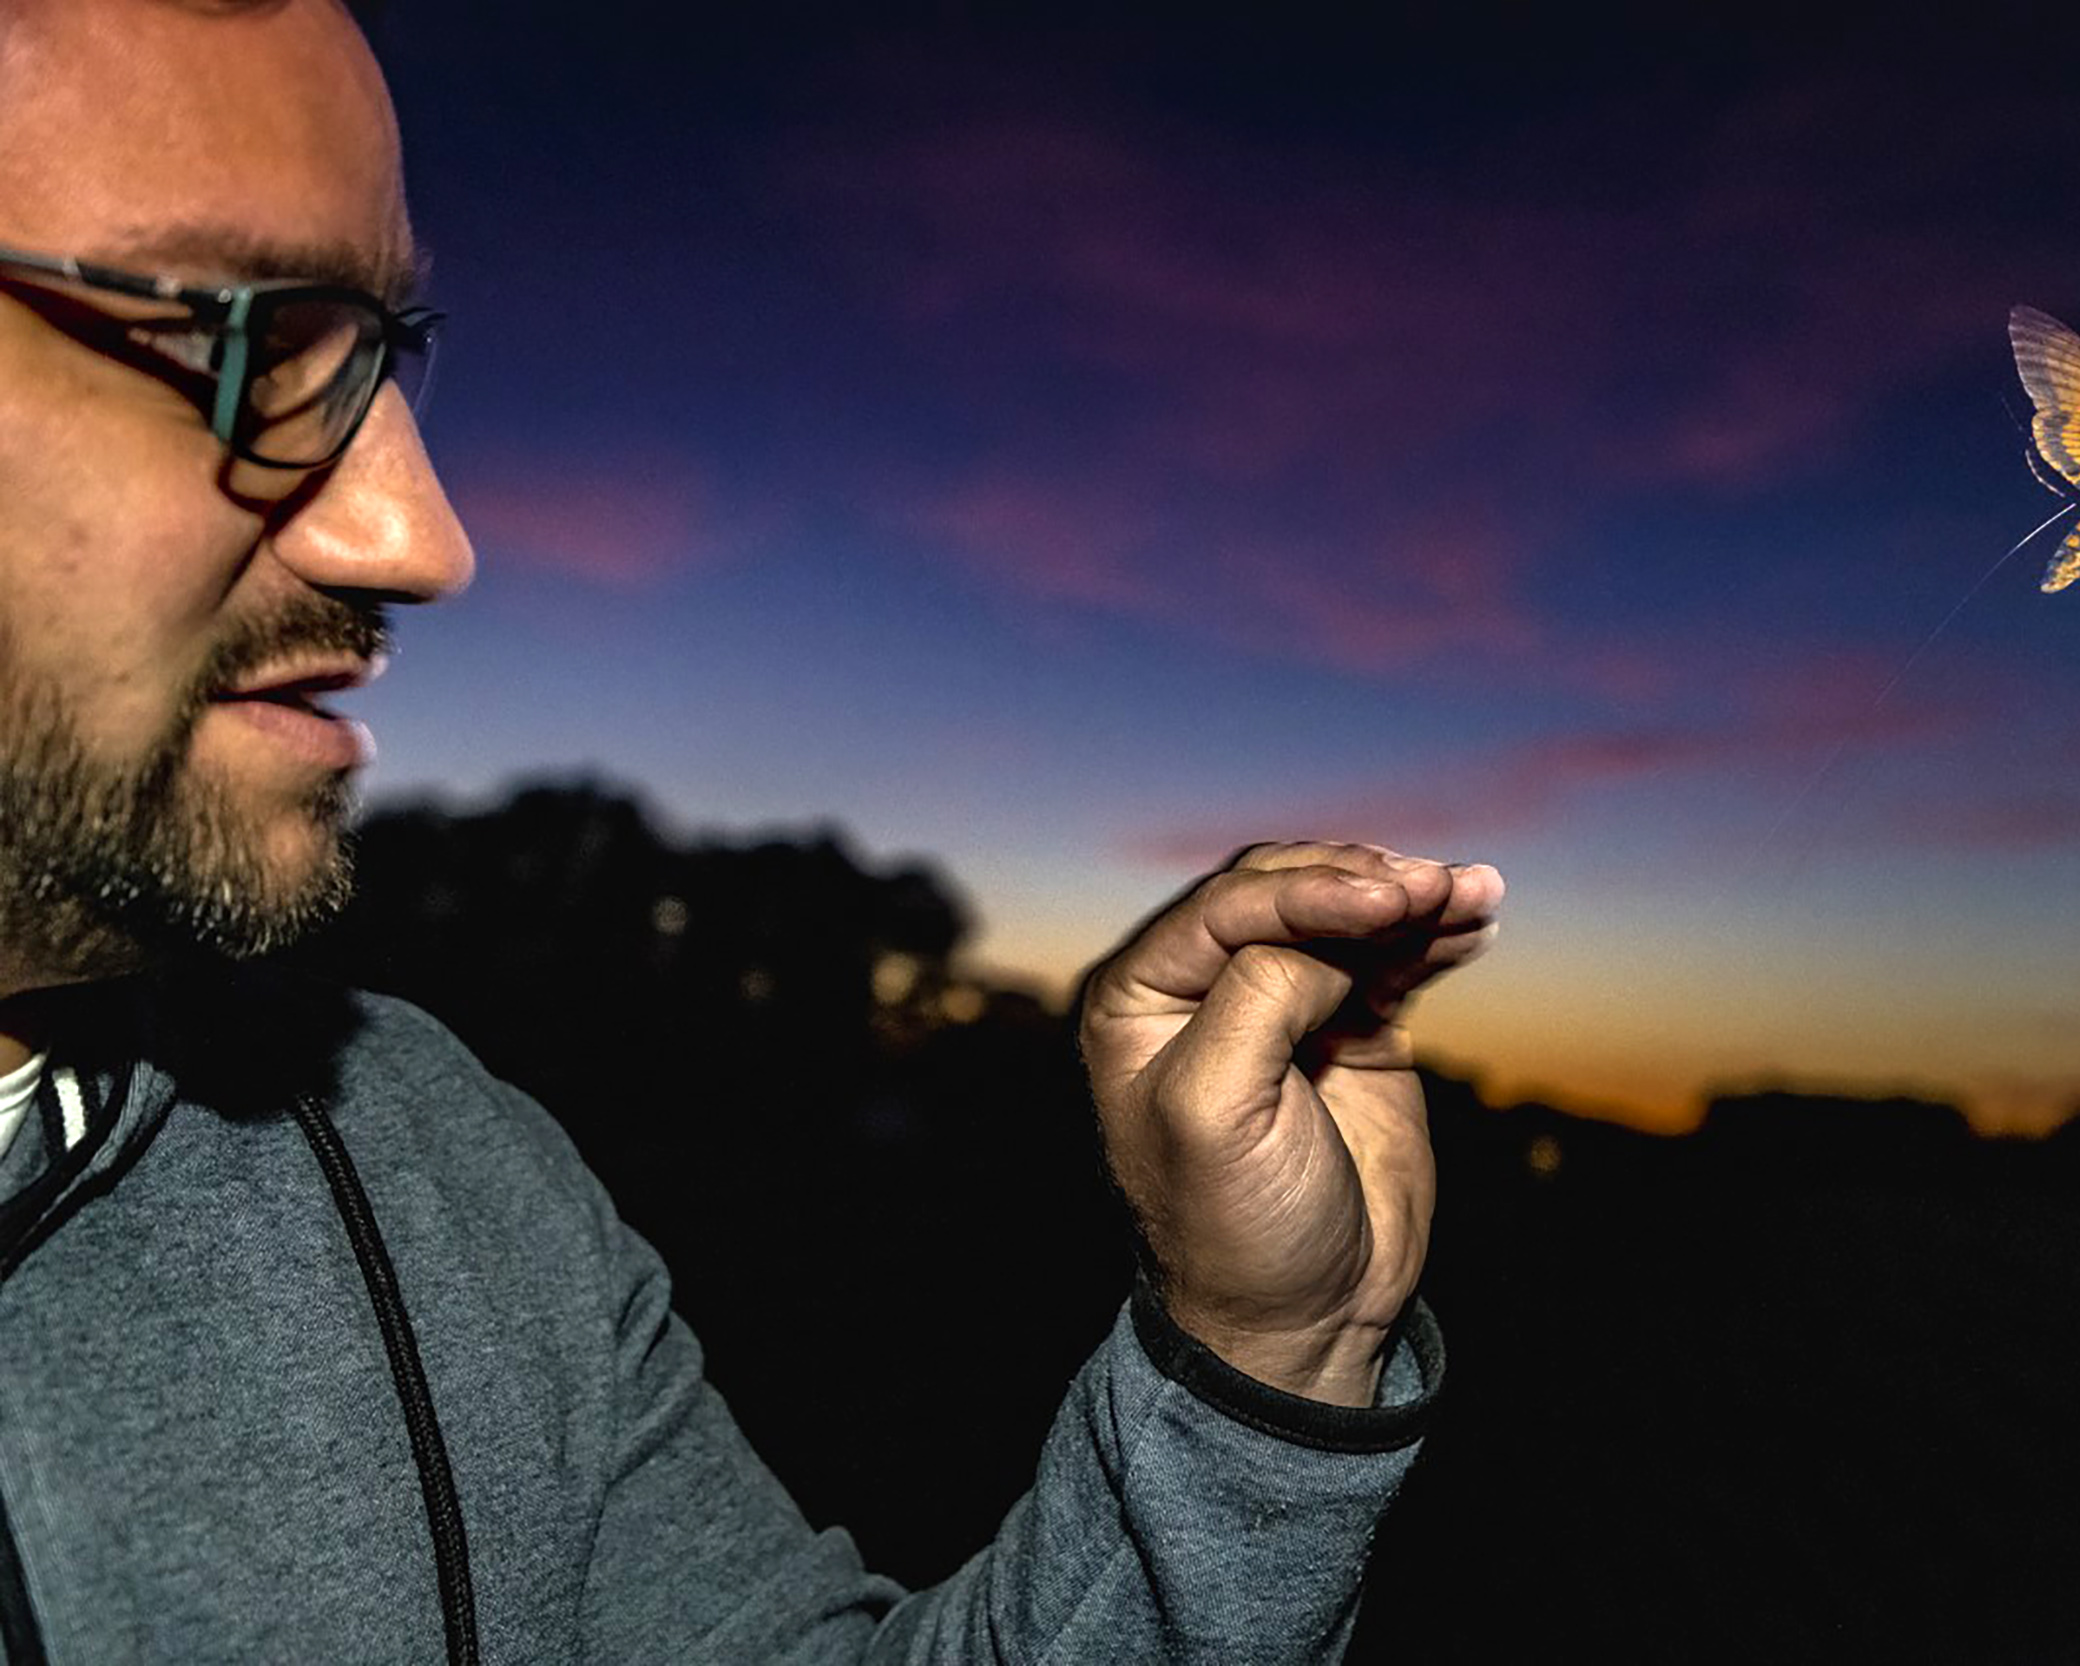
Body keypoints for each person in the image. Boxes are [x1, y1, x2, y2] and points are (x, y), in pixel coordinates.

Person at [0, 1, 1504, 1661]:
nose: (417, 536)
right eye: (253, 345)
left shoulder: (425, 1165)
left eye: (376, 352)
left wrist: (1263, 1363)